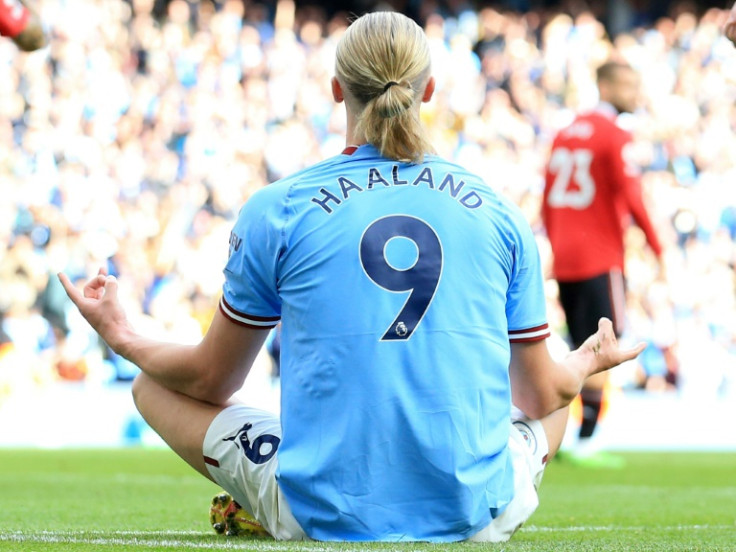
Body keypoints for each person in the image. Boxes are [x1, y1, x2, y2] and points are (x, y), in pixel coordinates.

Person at [59, 12, 644, 543]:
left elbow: (211, 380)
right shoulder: (498, 211)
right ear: (429, 92)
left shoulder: (277, 208)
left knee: (150, 383)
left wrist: (124, 337)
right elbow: (539, 395)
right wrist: (587, 362)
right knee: (555, 388)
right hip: (478, 514)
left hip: (318, 513)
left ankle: (277, 499)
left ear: (337, 89)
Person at [542, 61, 663, 466]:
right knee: (603, 345)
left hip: (566, 256)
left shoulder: (563, 134)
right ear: (605, 85)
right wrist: (659, 249)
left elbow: (547, 198)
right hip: (600, 254)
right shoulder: (614, 134)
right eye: (628, 85)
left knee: (580, 345)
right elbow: (632, 194)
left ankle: (571, 433)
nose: (634, 93)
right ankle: (588, 437)